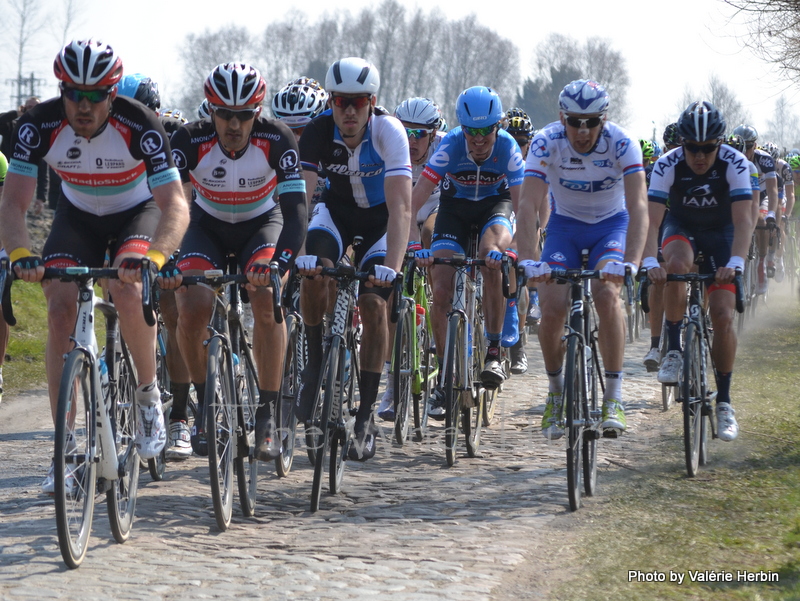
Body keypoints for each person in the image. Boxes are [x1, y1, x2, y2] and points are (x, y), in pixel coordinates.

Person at [0, 39, 189, 492]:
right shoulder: (38, 124)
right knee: (59, 309)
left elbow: (176, 206)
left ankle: (147, 396)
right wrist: (21, 253)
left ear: (112, 94)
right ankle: (63, 452)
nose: (83, 106)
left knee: (127, 288)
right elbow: (12, 203)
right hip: (77, 215)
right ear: (61, 90)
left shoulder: (139, 123)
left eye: (95, 96)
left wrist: (155, 257)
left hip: (135, 212)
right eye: (73, 94)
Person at [164, 63, 307, 462]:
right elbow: (167, 206)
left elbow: (296, 214)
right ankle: (206, 406)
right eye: (224, 113)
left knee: (265, 299)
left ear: (257, 112)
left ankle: (267, 410)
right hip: (204, 227)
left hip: (261, 225)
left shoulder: (278, 138)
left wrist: (279, 264)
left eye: (244, 115)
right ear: (210, 109)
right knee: (191, 309)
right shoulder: (188, 140)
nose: (233, 123)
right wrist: (169, 260)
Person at [516, 79, 648, 439]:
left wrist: (632, 262)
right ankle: (556, 394)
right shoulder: (547, 141)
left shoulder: (622, 143)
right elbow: (527, 204)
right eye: (575, 121)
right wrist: (528, 260)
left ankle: (614, 397)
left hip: (611, 227)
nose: (583, 131)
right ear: (562, 118)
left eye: (592, 122)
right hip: (565, 228)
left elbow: (638, 206)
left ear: (604, 120)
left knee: (607, 295)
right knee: (553, 305)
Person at [295, 57, 412, 461]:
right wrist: (300, 256)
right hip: (335, 215)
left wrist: (392, 268)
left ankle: (364, 416)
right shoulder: (315, 132)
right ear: (330, 101)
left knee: (374, 302)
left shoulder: (389, 132)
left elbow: (401, 209)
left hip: (379, 223)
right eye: (341, 101)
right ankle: (313, 364)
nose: (348, 111)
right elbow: (301, 200)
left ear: (372, 102)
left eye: (357, 103)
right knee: (313, 275)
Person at [644, 101, 753, 441]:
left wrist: (736, 262)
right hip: (682, 226)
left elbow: (744, 220)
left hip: (723, 232)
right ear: (682, 144)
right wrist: (650, 260)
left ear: (720, 143)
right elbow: (652, 219)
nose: (700, 156)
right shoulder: (667, 164)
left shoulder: (736, 163)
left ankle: (723, 401)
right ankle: (673, 348)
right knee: (675, 266)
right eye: (692, 148)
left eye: (708, 148)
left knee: (722, 316)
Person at [412, 86, 524, 418]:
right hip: (455, 211)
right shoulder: (449, 146)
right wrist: (417, 245)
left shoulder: (507, 147)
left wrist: (515, 250)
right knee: (442, 284)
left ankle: (493, 349)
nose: (477, 139)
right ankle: (446, 380)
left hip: (495, 207)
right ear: (461, 127)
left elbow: (523, 205)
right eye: (470, 131)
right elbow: (415, 200)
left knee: (492, 257)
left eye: (485, 130)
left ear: (498, 125)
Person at [376, 96, 444, 421]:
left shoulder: (444, 150)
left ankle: (435, 298)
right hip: (403, 217)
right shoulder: (388, 146)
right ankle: (391, 384)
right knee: (391, 295)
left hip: (433, 213)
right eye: (407, 132)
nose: (413, 141)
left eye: (420, 134)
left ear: (434, 134)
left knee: (431, 236)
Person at [732, 124, 777, 295]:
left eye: (749, 146)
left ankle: (761, 263)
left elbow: (773, 191)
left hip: (762, 197)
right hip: (741, 198)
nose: (745, 151)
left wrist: (772, 214)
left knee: (761, 220)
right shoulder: (732, 158)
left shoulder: (764, 160)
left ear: (755, 145)